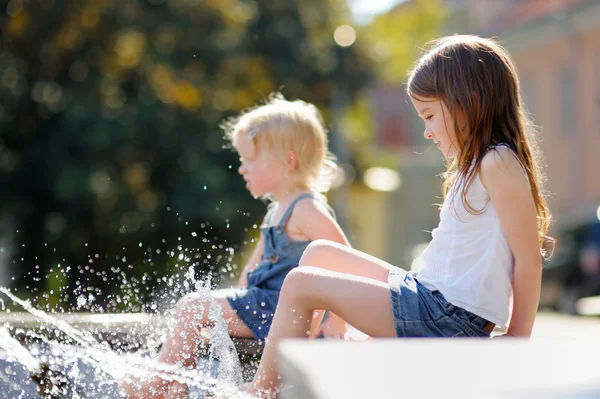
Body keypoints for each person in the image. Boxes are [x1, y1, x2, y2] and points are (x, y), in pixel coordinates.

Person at [240, 34, 553, 398]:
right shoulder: (473, 166)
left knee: (301, 283)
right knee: (320, 253)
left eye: (430, 116)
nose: (426, 131)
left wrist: (517, 337)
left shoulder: (496, 161)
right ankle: (327, 349)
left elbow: (528, 258)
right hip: (427, 295)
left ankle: (263, 391)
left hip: (445, 315)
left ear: (469, 102)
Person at [121, 94, 350, 398]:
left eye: (250, 159)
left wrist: (337, 319)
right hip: (265, 306)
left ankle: (160, 385)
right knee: (198, 310)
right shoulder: (276, 211)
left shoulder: (306, 209)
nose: (242, 168)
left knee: (193, 306)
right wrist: (224, 312)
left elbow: (344, 259)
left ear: (288, 161)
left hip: (281, 310)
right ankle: (177, 385)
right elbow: (249, 274)